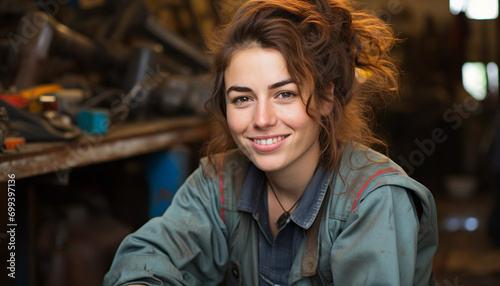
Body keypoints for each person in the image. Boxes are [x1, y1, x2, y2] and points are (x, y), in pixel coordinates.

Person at [104, 0, 438, 285]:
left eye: (285, 94)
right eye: (242, 99)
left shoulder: (375, 203)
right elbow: (150, 257)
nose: (262, 119)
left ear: (325, 98)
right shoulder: (219, 183)